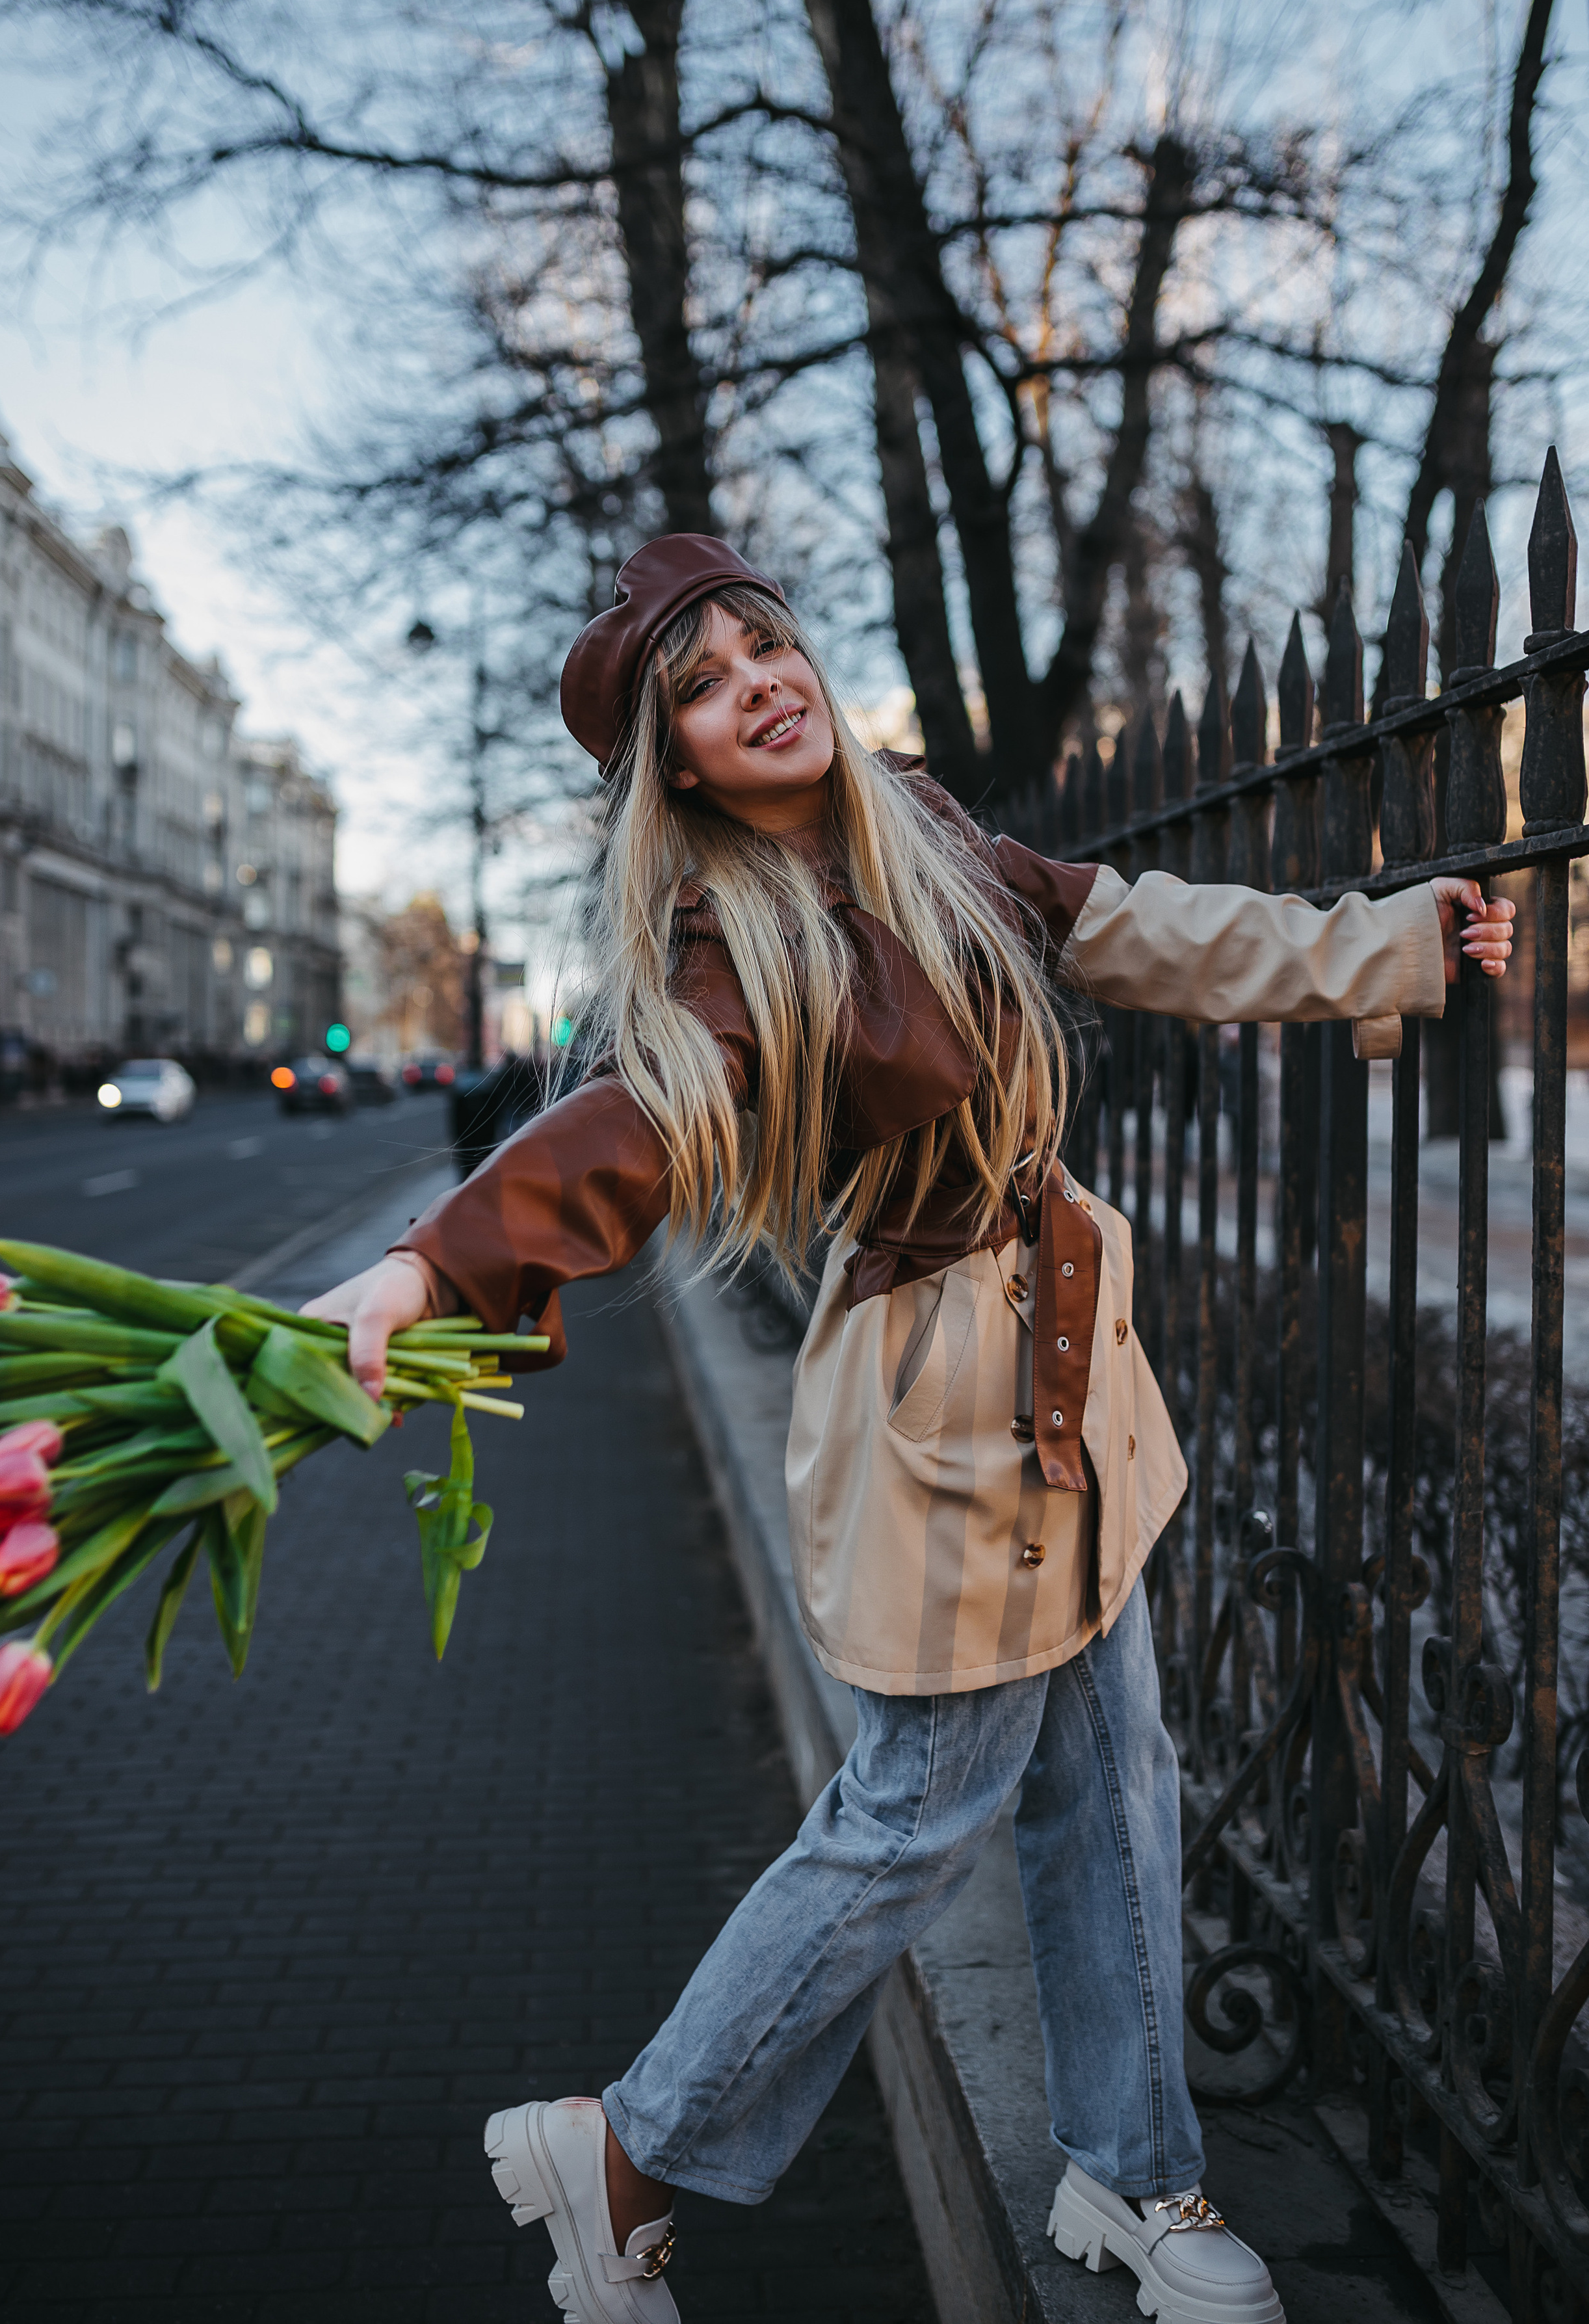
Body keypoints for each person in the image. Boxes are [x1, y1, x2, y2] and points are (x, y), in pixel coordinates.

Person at [305, 535, 1514, 2324]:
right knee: (913, 1814)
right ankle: (628, 2146)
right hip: (944, 1405)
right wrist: (431, 1266)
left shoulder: (929, 835)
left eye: (764, 648)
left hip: (1067, 1365)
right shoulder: (729, 950)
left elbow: (1140, 924)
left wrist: (1387, 944)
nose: (758, 688)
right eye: (703, 689)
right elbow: (634, 1126)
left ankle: (1134, 2169)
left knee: (1114, 1778)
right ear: (675, 765)